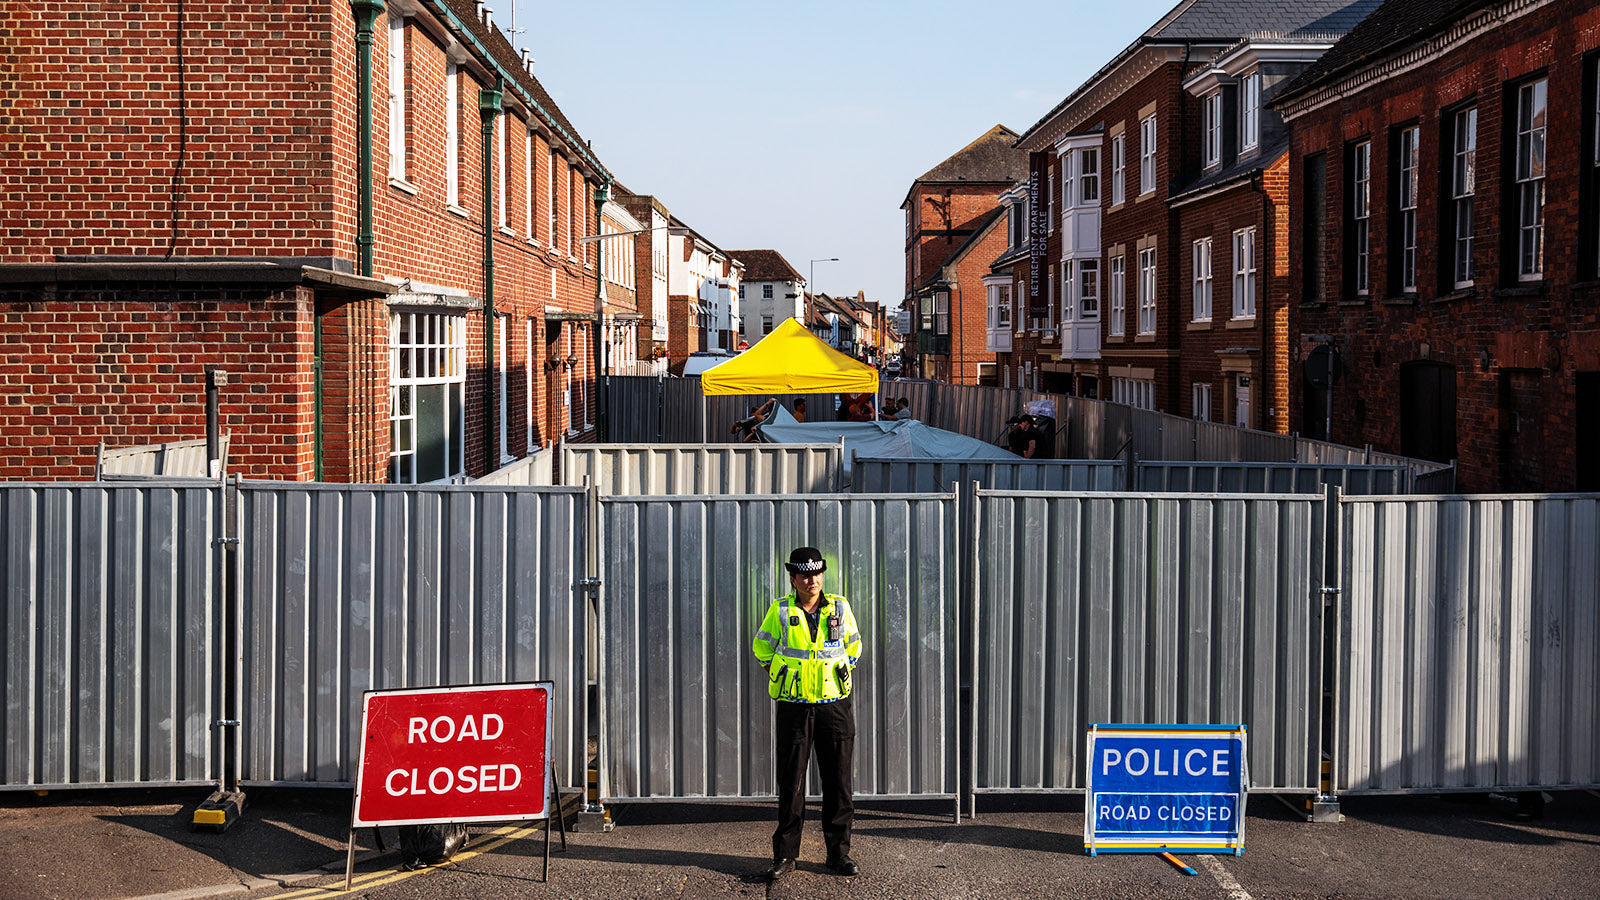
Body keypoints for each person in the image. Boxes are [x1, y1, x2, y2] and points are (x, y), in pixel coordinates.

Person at [751, 547, 862, 881]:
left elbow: (853, 645)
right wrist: (781, 672)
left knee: (839, 784)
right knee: (792, 784)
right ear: (793, 578)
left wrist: (840, 671)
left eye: (816, 574)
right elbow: (761, 647)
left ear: (821, 575)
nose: (811, 581)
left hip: (834, 707)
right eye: (804, 575)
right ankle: (785, 857)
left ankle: (838, 855)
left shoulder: (839, 607)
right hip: (795, 709)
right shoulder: (780, 610)